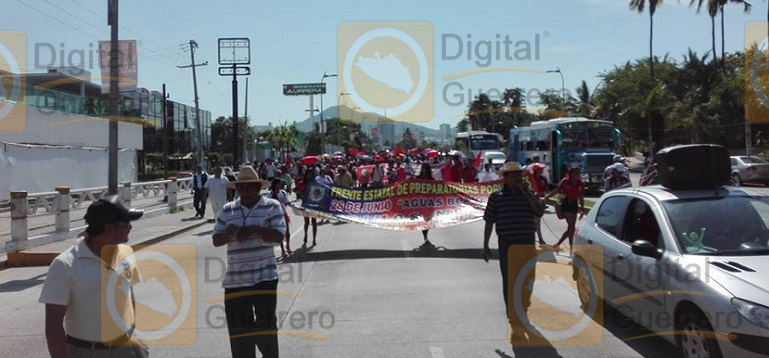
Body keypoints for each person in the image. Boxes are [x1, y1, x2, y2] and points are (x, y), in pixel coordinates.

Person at [40, 195, 148, 358]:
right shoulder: (65, 265)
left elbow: (130, 300)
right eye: (126, 223)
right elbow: (54, 325)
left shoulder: (126, 253)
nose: (130, 227)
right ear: (109, 229)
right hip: (86, 352)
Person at [212, 166, 285, 358]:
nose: (244, 191)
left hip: (265, 278)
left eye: (248, 187)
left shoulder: (272, 206)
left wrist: (254, 229)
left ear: (257, 187)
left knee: (266, 329)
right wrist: (228, 234)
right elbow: (216, 240)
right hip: (235, 281)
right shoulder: (228, 210)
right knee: (239, 334)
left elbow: (278, 236)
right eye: (240, 187)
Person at [482, 162, 544, 341]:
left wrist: (526, 193)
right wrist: (485, 245)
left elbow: (539, 212)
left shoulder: (528, 194)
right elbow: (489, 221)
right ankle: (514, 320)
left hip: (526, 243)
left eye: (519, 174)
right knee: (510, 282)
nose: (518, 177)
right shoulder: (496, 197)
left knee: (527, 280)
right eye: (514, 175)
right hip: (507, 244)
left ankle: (523, 309)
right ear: (505, 178)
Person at [545, 166, 586, 254]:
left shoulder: (580, 183)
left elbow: (581, 196)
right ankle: (571, 248)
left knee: (571, 228)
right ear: (571, 173)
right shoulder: (565, 181)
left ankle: (558, 244)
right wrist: (547, 197)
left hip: (574, 204)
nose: (578, 175)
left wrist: (582, 209)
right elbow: (557, 190)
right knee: (571, 227)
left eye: (579, 173)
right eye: (576, 173)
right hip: (566, 203)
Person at [265, 178, 292, 256]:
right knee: (280, 232)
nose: (281, 185)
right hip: (276, 215)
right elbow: (268, 204)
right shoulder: (270, 194)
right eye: (279, 184)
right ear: (275, 185)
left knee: (287, 232)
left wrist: (288, 203)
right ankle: (282, 250)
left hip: (283, 213)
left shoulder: (283, 192)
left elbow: (286, 201)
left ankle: (288, 246)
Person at [416, 163, 436, 244]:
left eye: (425, 168)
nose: (423, 170)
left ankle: (426, 234)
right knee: (423, 220)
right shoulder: (418, 179)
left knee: (428, 220)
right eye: (422, 168)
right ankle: (425, 237)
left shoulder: (432, 180)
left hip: (429, 203)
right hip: (421, 203)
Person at [531, 165, 549, 245]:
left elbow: (545, 190)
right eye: (539, 170)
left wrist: (541, 195)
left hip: (540, 202)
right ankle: (535, 237)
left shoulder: (543, 179)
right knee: (532, 221)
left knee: (538, 221)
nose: (541, 171)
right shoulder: (530, 179)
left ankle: (540, 238)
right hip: (531, 201)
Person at [301, 169, 319, 246]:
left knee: (314, 222)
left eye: (310, 174)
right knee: (306, 222)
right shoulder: (302, 183)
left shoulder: (315, 183)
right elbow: (297, 191)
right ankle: (305, 234)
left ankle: (314, 239)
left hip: (313, 205)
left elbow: (319, 193)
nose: (309, 176)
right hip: (305, 204)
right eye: (308, 174)